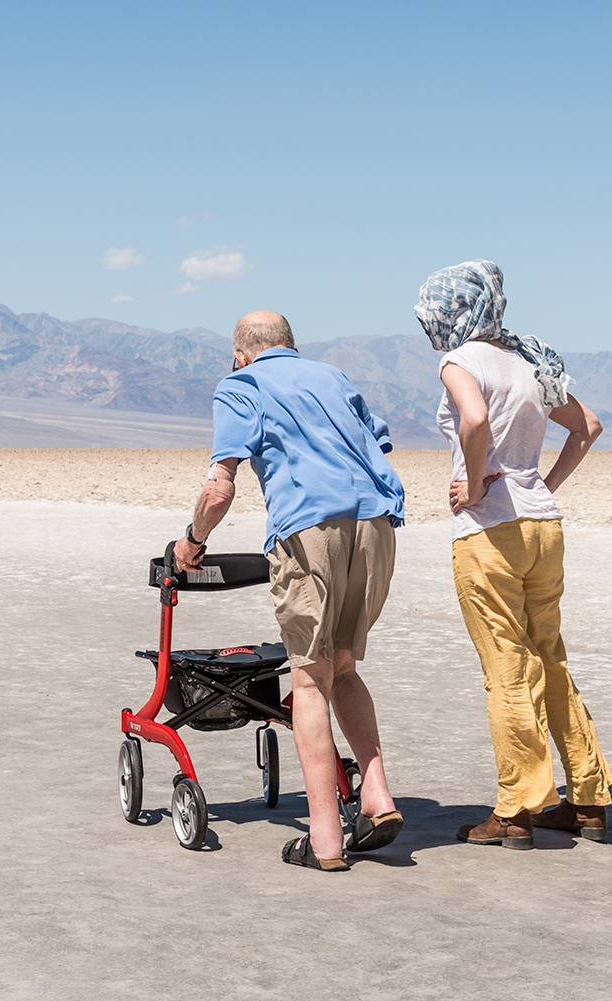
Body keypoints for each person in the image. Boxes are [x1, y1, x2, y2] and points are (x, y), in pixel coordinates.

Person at [173, 310, 406, 871]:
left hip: (309, 530)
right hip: (376, 526)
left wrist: (192, 540)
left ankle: (324, 840)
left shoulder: (242, 384)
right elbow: (375, 443)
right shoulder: (332, 376)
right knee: (344, 665)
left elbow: (220, 485)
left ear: (240, 352)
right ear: (290, 346)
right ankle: (376, 797)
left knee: (309, 678)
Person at [415, 260, 612, 849]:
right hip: (542, 527)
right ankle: (587, 799)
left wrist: (475, 487)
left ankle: (517, 810)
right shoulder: (529, 360)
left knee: (507, 668)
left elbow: (474, 419)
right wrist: (542, 485)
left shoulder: (459, 361)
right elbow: (590, 427)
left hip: (491, 532)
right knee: (549, 657)